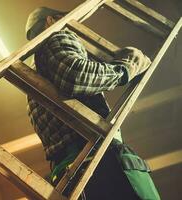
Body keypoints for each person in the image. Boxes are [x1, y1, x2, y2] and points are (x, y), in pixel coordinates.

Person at [25, 7, 160, 200]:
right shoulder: (56, 37)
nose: (75, 27)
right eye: (66, 18)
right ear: (50, 20)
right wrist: (125, 70)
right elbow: (76, 76)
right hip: (98, 163)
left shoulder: (34, 74)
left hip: (72, 174)